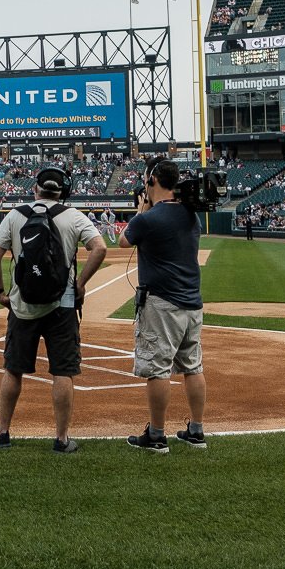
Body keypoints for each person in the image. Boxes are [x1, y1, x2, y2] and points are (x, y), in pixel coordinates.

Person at [0, 167, 106, 453]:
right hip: (62, 305)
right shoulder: (74, 215)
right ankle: (62, 440)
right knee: (63, 372)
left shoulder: (16, 215)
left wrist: (0, 292)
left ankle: (2, 432)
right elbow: (99, 248)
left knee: (13, 369)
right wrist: (81, 283)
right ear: (62, 192)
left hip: (23, 303)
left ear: (35, 189)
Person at [119, 158, 206, 453]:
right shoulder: (191, 216)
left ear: (152, 180)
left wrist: (143, 206)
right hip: (192, 303)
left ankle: (156, 435)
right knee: (193, 367)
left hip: (162, 303)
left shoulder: (148, 219)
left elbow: (123, 241)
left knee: (158, 369)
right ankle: (196, 430)